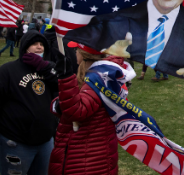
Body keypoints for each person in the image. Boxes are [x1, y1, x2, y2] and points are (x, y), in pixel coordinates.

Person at [0, 30, 59, 174]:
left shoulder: (48, 69)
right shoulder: (7, 71)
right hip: (15, 140)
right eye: (34, 44)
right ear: (25, 47)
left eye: (41, 44)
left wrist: (44, 67)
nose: (39, 47)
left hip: (45, 140)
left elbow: (64, 84)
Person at [49, 39, 127, 175]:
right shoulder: (104, 75)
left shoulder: (98, 80)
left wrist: (66, 77)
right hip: (89, 154)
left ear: (84, 55)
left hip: (87, 160)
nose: (75, 54)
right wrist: (59, 104)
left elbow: (76, 111)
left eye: (76, 51)